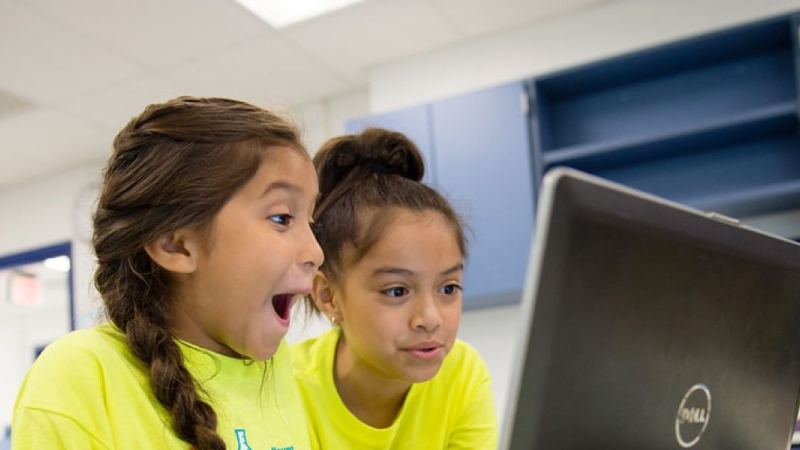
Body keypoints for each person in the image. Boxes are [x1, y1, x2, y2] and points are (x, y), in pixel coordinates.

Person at [12, 96, 323, 450]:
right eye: (282, 218)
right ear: (176, 244)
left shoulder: (277, 368)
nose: (316, 252)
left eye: (310, 221)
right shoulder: (80, 375)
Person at [292, 127, 497, 449]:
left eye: (448, 288)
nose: (430, 319)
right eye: (397, 291)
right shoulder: (285, 387)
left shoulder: (462, 373)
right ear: (328, 296)